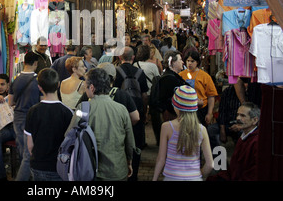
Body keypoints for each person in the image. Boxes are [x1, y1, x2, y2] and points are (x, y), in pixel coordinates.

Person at [71, 68, 136, 181]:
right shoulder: (122, 109)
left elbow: (70, 135)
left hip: (91, 170)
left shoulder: (83, 108)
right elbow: (129, 142)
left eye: (86, 87)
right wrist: (129, 162)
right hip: (118, 170)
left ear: (92, 87)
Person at [152, 85, 213, 181]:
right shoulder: (202, 130)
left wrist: (154, 179)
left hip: (171, 177)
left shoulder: (167, 127)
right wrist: (198, 175)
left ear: (175, 106)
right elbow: (210, 165)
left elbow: (161, 159)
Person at [24, 69, 73, 181]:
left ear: (39, 87)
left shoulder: (32, 111)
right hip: (60, 167)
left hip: (38, 166)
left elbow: (30, 145)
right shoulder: (68, 112)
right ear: (58, 84)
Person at [113, 46, 149, 181]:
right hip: (137, 112)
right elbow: (145, 95)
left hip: (119, 113)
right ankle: (134, 174)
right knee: (136, 144)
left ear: (120, 57)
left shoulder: (116, 72)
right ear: (133, 57)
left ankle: (122, 171)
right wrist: (144, 113)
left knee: (121, 142)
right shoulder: (140, 72)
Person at [7, 51, 43, 181]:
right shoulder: (38, 80)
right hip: (32, 117)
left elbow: (10, 102)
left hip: (18, 117)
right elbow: (42, 101)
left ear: (24, 62)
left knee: (22, 151)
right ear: (35, 63)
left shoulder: (15, 80)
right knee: (29, 154)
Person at [208, 102, 260, 181]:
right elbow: (233, 169)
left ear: (254, 120)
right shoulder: (243, 137)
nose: (238, 118)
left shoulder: (257, 142)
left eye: (242, 115)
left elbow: (252, 174)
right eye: (238, 114)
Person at [179, 50, 218, 127]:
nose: (189, 63)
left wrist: (209, 113)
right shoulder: (180, 75)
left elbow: (211, 96)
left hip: (201, 111)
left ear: (197, 62)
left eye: (192, 61)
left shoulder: (205, 76)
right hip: (185, 110)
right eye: (188, 61)